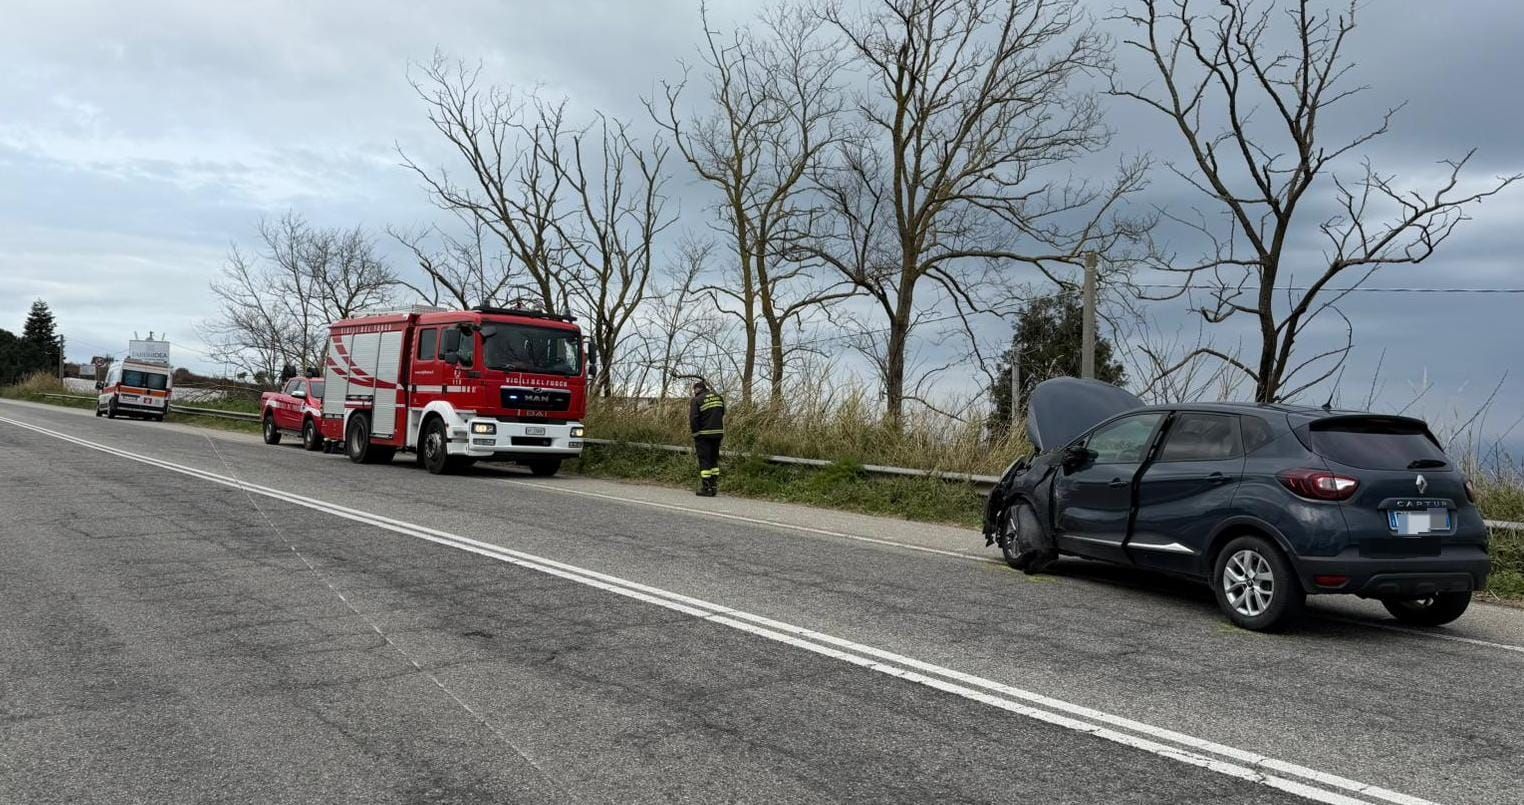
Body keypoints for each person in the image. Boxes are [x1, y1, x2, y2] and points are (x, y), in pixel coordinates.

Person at [689, 379, 725, 497]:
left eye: (694, 391)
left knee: (704, 460)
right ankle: (714, 486)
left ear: (697, 390)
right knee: (714, 459)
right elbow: (722, 412)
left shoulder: (697, 400)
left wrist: (696, 433)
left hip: (704, 435)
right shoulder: (718, 397)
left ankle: (706, 488)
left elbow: (694, 419)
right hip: (718, 433)